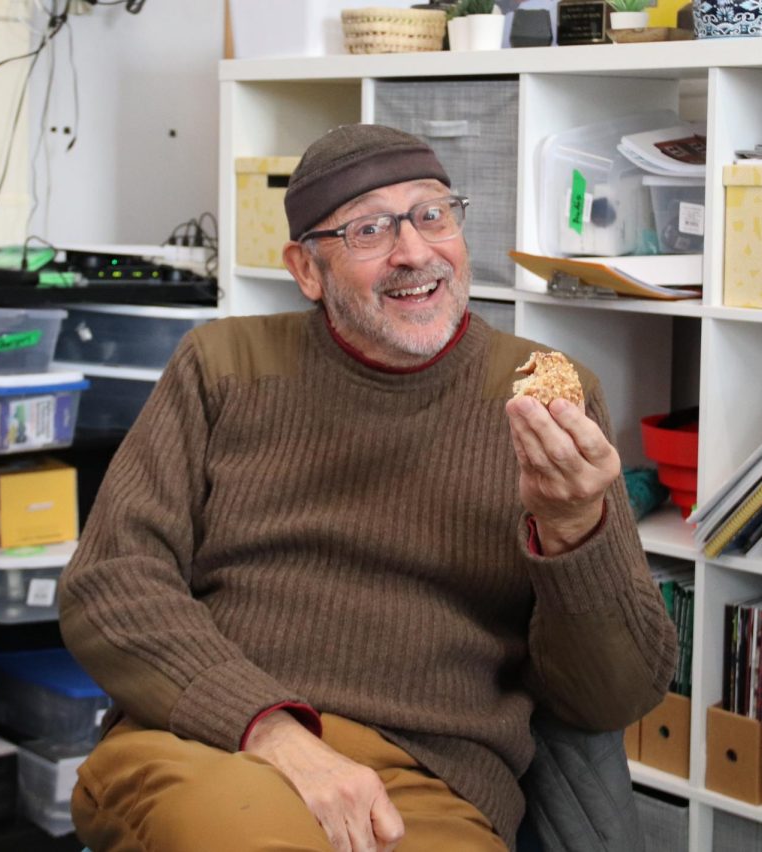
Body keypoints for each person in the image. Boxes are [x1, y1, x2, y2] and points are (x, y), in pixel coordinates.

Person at [59, 123, 677, 852]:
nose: (413, 251)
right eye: (369, 229)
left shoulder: (544, 396)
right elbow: (110, 581)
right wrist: (273, 732)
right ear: (307, 269)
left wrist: (575, 527)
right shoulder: (223, 366)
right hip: (217, 743)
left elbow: (613, 696)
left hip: (432, 782)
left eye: (431, 215)